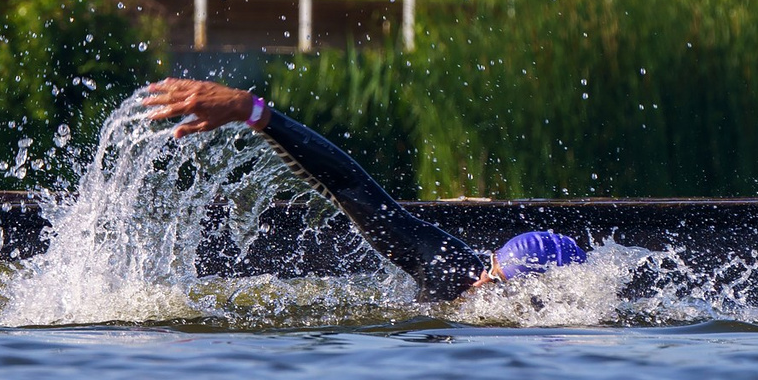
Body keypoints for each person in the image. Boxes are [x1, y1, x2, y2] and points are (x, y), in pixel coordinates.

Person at [139, 77, 586, 298]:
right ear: (489, 272)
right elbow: (351, 184)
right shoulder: (452, 269)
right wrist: (254, 111)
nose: (480, 290)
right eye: (491, 279)